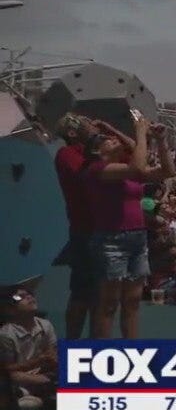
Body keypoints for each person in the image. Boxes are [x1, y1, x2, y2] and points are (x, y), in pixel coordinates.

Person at [84, 116, 176, 339]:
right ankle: (102, 352)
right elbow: (137, 160)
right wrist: (141, 132)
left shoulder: (128, 171)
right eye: (108, 140)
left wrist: (161, 141)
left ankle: (131, 349)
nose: (116, 140)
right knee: (109, 303)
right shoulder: (99, 169)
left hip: (137, 237)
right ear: (98, 151)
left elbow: (167, 170)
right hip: (112, 239)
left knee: (132, 302)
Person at [52, 114, 100, 339]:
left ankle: (95, 346)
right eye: (84, 124)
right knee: (82, 292)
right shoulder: (66, 154)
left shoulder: (89, 152)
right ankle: (72, 343)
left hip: (102, 228)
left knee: (100, 295)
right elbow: (85, 175)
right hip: (84, 230)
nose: (90, 125)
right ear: (71, 133)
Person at [0, 288, 58, 410]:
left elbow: (52, 352)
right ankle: (38, 396)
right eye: (19, 297)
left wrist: (53, 359)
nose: (28, 297)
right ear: (9, 309)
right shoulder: (6, 335)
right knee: (11, 377)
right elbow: (7, 369)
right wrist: (37, 361)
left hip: (42, 372)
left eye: (29, 294)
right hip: (19, 374)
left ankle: (26, 395)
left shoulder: (45, 325)